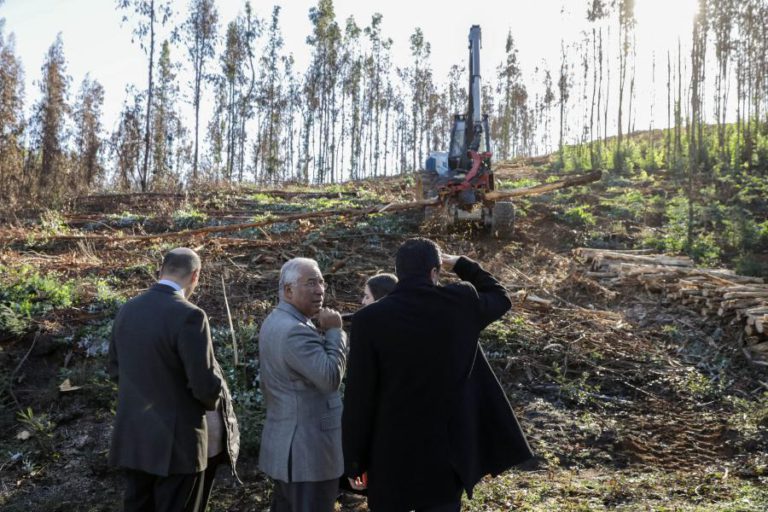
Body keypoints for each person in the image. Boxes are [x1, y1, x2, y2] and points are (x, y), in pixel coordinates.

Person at [342, 238, 534, 512]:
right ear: (434, 272)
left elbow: (359, 397)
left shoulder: (368, 320)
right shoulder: (460, 303)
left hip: (389, 453)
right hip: (444, 455)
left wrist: (354, 461)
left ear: (398, 272)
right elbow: (501, 297)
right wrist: (461, 264)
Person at [108, 248, 223, 512]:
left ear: (160, 271)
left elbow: (115, 370)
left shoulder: (127, 309)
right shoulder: (190, 315)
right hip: (178, 444)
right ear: (195, 276)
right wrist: (213, 398)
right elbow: (203, 384)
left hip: (134, 438)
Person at [258, 257, 349, 512]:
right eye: (310, 283)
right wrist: (334, 332)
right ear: (288, 291)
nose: (320, 289)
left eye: (321, 281)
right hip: (308, 455)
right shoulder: (295, 331)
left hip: (291, 451)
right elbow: (329, 378)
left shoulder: (276, 321)